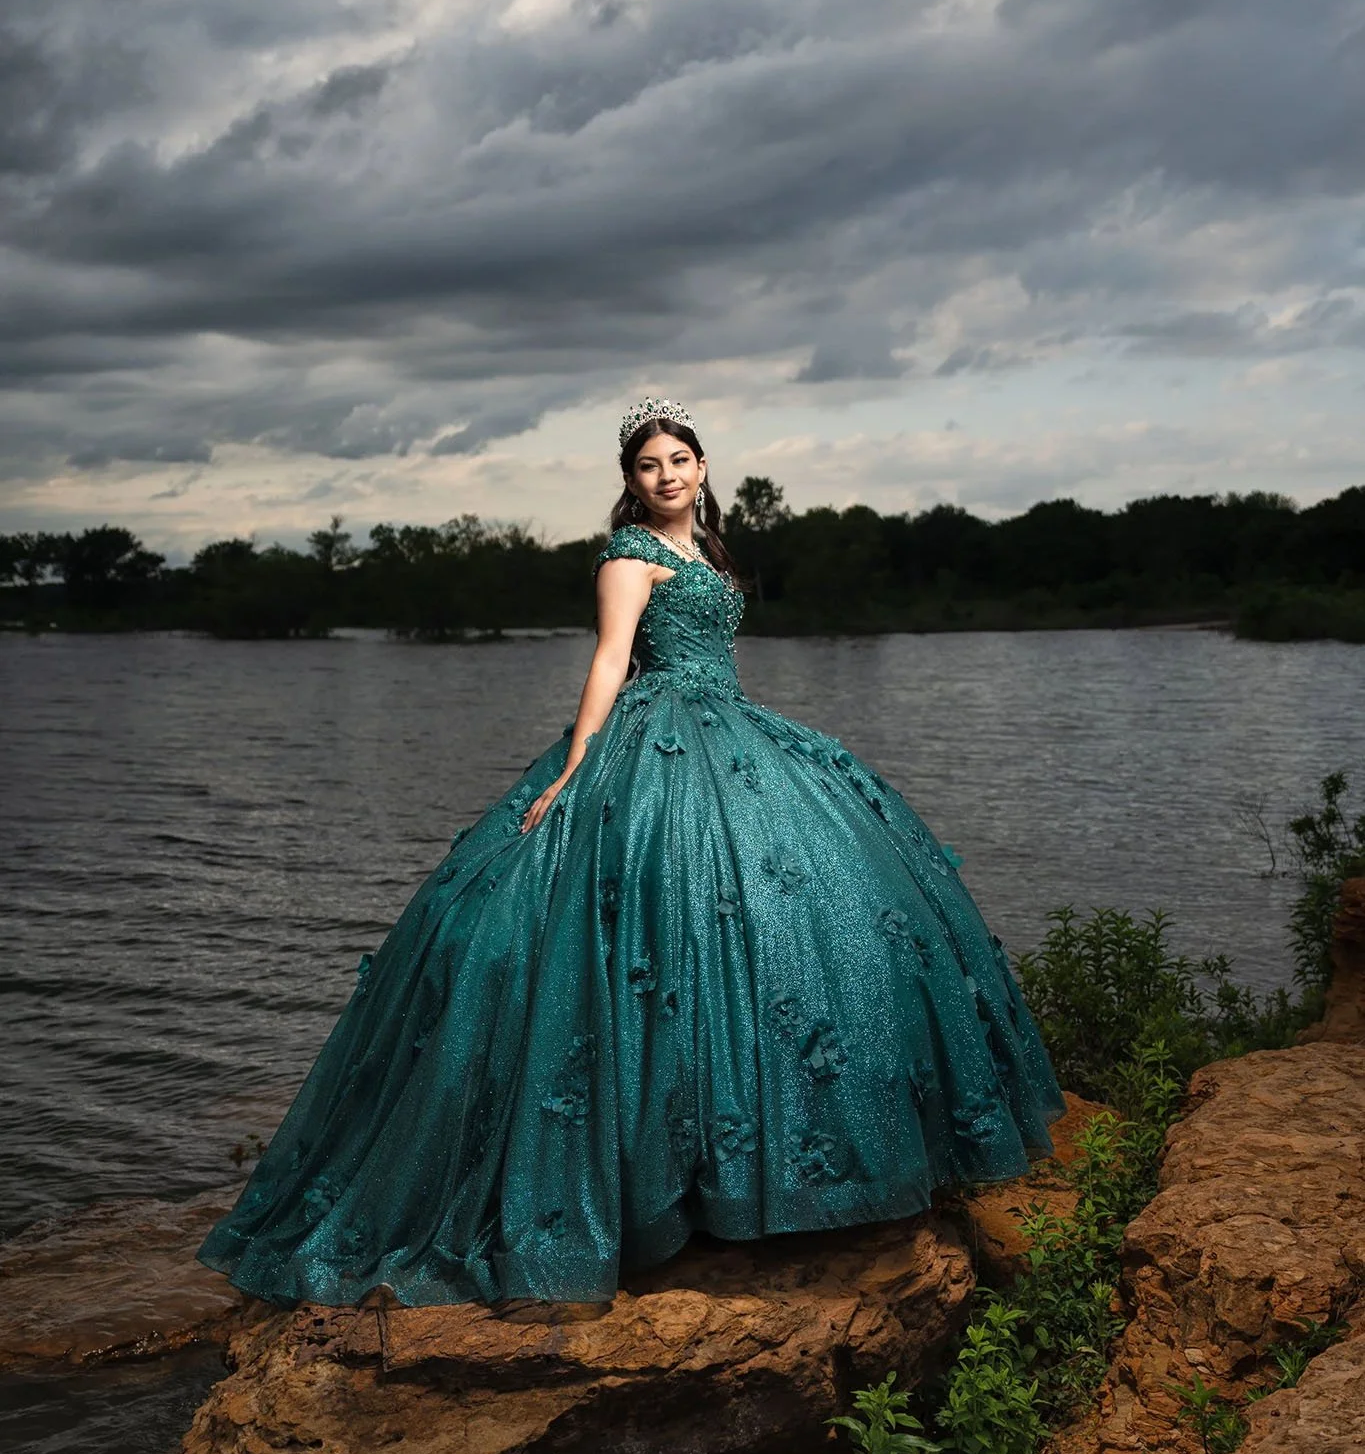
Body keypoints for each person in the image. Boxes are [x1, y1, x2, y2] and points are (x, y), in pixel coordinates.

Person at [197, 398, 1064, 1308]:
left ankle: (772, 1165)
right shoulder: (628, 555)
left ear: (702, 467)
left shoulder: (710, 552)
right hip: (655, 735)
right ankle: (659, 1188)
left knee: (810, 910)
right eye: (648, 465)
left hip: (731, 728)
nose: (666, 476)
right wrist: (576, 771)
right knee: (654, 925)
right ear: (630, 480)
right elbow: (611, 660)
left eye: (678, 460)